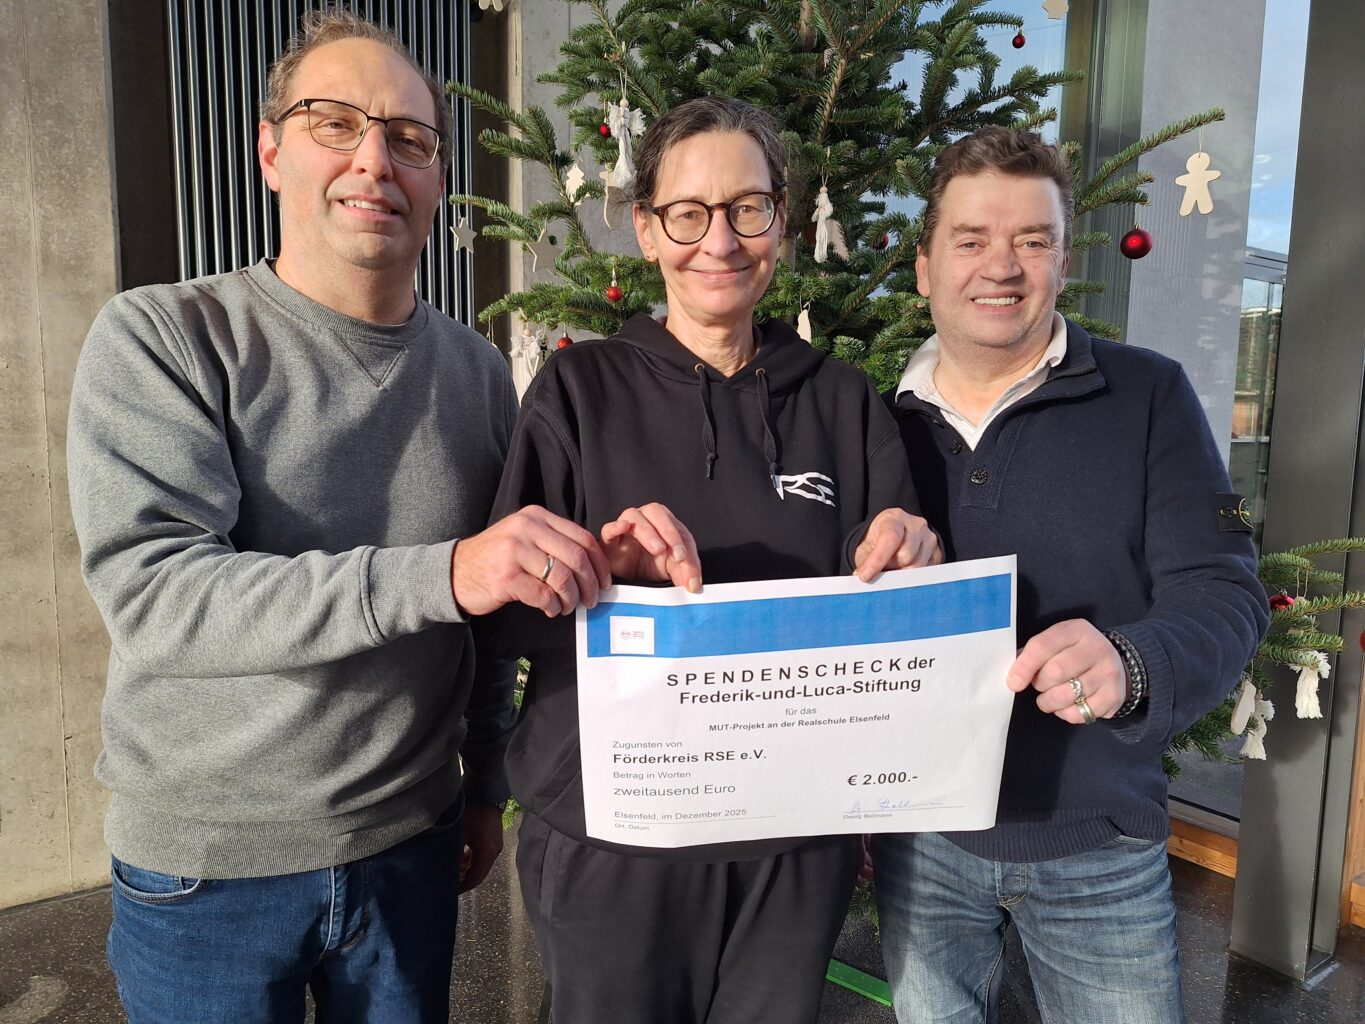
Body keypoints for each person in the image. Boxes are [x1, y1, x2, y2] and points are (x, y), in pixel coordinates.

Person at [66, 9, 612, 1022]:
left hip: (410, 845)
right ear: (271, 152)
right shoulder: (167, 338)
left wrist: (484, 782)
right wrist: (445, 571)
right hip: (209, 869)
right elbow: (159, 599)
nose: (374, 160)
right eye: (335, 123)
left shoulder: (475, 372)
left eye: (409, 138)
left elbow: (490, 621)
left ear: (438, 178)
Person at [484, 95, 941, 1024]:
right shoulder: (578, 390)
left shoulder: (843, 403)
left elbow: (893, 625)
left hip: (791, 839)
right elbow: (502, 620)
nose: (720, 242)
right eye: (688, 214)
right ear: (647, 228)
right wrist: (599, 569)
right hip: (613, 831)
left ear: (782, 217)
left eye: (747, 208)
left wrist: (913, 560)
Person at [872, 126, 1270, 1023]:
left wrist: (1132, 663)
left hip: (1098, 842)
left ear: (1060, 261)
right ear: (925, 268)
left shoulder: (1149, 396)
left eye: (1031, 240)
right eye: (970, 240)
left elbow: (1225, 590)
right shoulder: (870, 421)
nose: (1000, 266)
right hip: (918, 839)